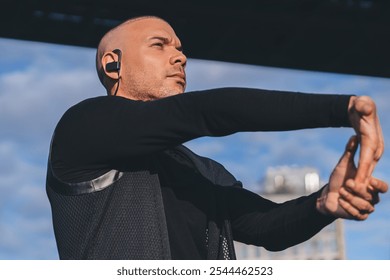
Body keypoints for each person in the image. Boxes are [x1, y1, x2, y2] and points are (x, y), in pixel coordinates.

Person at [46, 15, 387, 260]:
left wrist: (323, 203)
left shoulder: (202, 170)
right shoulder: (82, 127)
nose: (180, 57)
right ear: (112, 65)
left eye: (179, 49)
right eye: (158, 45)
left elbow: (266, 227)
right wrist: (343, 109)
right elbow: (209, 111)